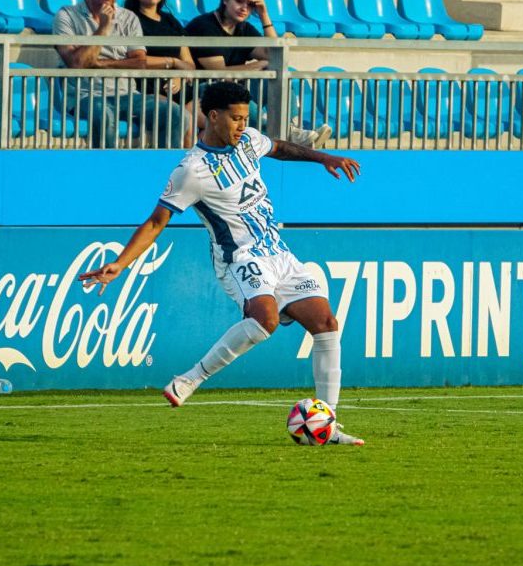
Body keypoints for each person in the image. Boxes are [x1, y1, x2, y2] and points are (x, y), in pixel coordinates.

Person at [78, 81, 364, 445]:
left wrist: (324, 158)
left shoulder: (246, 141)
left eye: (246, 118)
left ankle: (328, 424)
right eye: (236, 119)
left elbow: (278, 148)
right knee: (266, 320)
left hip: (278, 252)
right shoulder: (191, 171)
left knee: (326, 323)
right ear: (213, 116)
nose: (242, 126)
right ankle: (190, 379)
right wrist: (121, 263)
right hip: (239, 257)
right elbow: (156, 221)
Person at [184, 0, 330, 148]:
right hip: (203, 91)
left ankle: (289, 129)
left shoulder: (244, 28)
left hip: (232, 88)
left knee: (274, 70)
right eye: (239, 1)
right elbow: (219, 72)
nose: (244, 8)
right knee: (241, 97)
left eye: (250, 5)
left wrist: (263, 15)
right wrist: (255, 66)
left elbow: (274, 55)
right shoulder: (204, 26)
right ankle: (287, 135)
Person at [53, 0, 185, 148]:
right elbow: (77, 63)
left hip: (127, 95)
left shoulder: (129, 18)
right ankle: (107, 172)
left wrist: (96, 64)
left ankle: (169, 174)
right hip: (85, 97)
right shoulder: (66, 15)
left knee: (175, 113)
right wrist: (103, 29)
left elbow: (139, 63)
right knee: (103, 113)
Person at [124, 0, 202, 135]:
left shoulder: (171, 20)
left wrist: (179, 76)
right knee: (184, 121)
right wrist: (172, 62)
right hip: (148, 90)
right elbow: (136, 59)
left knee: (218, 116)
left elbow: (189, 64)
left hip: (180, 90)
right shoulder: (129, 19)